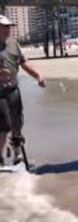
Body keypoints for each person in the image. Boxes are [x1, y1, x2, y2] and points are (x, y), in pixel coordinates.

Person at [0, 15, 46, 166]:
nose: (8, 29)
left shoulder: (14, 44)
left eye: (9, 26)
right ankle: (0, 159)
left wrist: (37, 75)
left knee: (17, 123)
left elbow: (24, 62)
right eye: (4, 26)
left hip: (13, 90)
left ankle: (17, 155)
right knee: (4, 124)